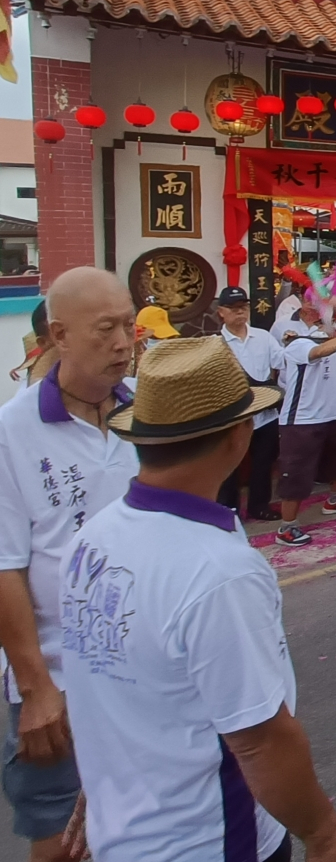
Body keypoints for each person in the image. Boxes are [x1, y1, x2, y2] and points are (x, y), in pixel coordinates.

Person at [64, 336, 336, 862]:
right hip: (208, 839)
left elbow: (110, 684)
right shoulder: (218, 571)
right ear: (239, 435)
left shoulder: (93, 538)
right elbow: (259, 739)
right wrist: (325, 832)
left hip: (122, 834)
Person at [0, 269, 138, 862]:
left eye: (130, 325)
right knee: (62, 842)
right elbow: (5, 567)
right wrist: (35, 689)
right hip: (61, 679)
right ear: (59, 334)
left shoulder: (148, 413)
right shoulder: (12, 432)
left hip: (146, 669)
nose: (124, 343)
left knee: (147, 825)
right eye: (105, 329)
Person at [273, 303, 336, 547]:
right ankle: (287, 527)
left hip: (332, 415)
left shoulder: (335, 342)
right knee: (296, 474)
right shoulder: (299, 343)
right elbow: (317, 354)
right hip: (302, 420)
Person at [215, 287, 286, 524]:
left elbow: (282, 361)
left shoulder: (263, 337)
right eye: (234, 309)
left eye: (243, 308)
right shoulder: (215, 344)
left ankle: (259, 505)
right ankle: (229, 509)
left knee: (263, 463)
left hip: (264, 413)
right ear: (221, 312)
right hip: (233, 415)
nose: (240, 313)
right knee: (229, 466)